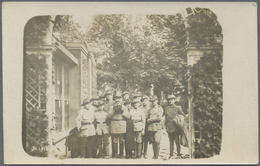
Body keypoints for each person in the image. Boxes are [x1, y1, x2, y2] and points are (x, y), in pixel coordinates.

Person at [108, 91, 130, 158]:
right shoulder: (111, 107)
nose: (118, 100)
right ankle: (114, 154)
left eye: (119, 98)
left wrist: (123, 111)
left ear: (121, 99)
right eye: (116, 98)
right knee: (114, 140)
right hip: (114, 124)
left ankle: (121, 154)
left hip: (122, 124)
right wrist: (113, 110)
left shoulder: (124, 107)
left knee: (121, 140)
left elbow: (128, 116)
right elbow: (109, 116)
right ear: (114, 100)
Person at [165, 94, 186, 159]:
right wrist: (166, 127)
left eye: (172, 100)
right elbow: (166, 118)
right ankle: (171, 154)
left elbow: (183, 115)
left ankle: (178, 154)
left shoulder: (177, 108)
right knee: (171, 142)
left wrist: (177, 119)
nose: (170, 101)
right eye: (169, 100)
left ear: (174, 100)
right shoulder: (166, 108)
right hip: (169, 127)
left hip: (176, 128)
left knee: (177, 142)